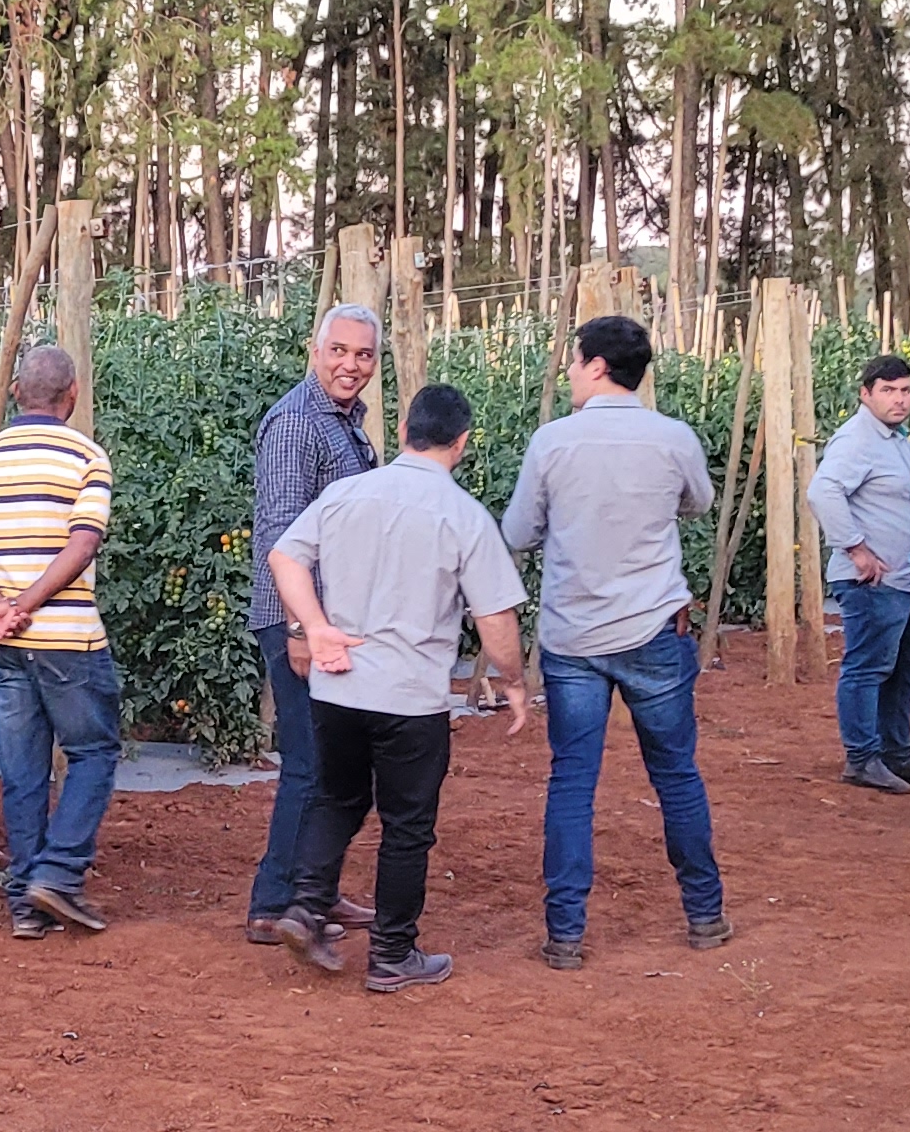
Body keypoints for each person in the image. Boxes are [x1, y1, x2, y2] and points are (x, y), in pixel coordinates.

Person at [266, 381, 530, 991]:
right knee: (408, 824)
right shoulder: (463, 515)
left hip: (339, 687)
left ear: (407, 429)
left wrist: (316, 626)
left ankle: (306, 907)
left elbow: (283, 558)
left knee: (337, 798)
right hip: (409, 696)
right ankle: (392, 953)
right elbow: (495, 620)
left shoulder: (346, 494)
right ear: (461, 442)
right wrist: (513, 681)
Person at [504, 316, 729, 963]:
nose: (570, 371)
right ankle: (705, 915)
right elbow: (699, 503)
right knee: (677, 775)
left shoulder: (552, 443)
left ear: (597, 365)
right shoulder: (672, 437)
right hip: (654, 629)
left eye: (575, 361)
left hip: (574, 638)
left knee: (572, 781)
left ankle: (566, 934)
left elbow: (519, 531)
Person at [0, 343, 122, 935]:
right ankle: (59, 874)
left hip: (4, 642)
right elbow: (82, 543)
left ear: (18, 392)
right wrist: (24, 605)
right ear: (72, 395)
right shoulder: (86, 458)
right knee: (93, 754)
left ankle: (26, 902)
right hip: (68, 638)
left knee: (22, 769)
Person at [243, 305, 384, 944]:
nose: (351, 366)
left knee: (330, 762)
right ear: (315, 349)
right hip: (300, 621)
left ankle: (312, 894)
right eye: (340, 351)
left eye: (364, 356)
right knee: (310, 763)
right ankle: (276, 903)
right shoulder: (298, 424)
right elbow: (280, 531)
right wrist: (302, 628)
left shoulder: (347, 427)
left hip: (325, 622)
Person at [810, 352, 910, 793]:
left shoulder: (898, 442)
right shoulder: (857, 440)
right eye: (888, 391)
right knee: (868, 666)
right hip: (872, 580)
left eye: (905, 390)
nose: (900, 400)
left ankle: (896, 754)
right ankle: (862, 757)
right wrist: (857, 549)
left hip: (905, 580)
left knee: (906, 667)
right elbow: (823, 491)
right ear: (866, 394)